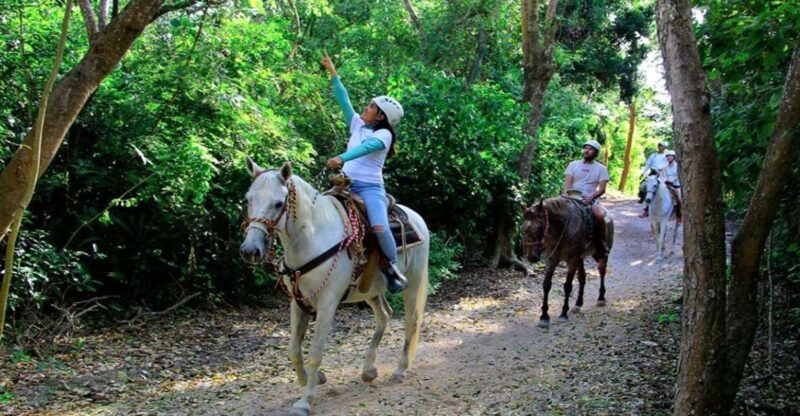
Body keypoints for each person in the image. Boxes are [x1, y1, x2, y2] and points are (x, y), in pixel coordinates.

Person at [321, 53, 408, 294]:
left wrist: (341, 158)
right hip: (344, 186)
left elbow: (365, 149)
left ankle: (391, 269)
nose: (365, 108)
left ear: (381, 116)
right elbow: (344, 101)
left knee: (379, 226)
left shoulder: (384, 135)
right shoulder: (358, 124)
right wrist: (333, 72)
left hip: (369, 188)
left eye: (371, 107)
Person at [564, 140, 610, 256]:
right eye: (586, 148)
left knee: (600, 216)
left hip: (589, 198)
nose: (587, 151)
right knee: (550, 211)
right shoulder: (573, 165)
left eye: (591, 149)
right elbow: (568, 184)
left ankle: (602, 243)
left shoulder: (601, 168)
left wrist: (591, 197)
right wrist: (567, 194)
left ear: (595, 153)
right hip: (571, 196)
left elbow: (602, 189)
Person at [638, 141, 669, 218]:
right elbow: (648, 164)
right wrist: (643, 172)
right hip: (653, 174)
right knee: (643, 186)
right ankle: (645, 207)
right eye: (659, 145)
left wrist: (663, 171)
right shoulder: (653, 155)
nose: (660, 147)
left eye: (662, 146)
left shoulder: (667, 155)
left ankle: (674, 207)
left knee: (669, 189)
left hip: (663, 174)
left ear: (665, 148)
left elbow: (669, 164)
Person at [662, 150, 682, 224]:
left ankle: (679, 216)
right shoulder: (665, 167)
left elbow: (678, 175)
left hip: (676, 185)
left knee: (678, 199)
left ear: (673, 157)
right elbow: (663, 176)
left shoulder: (677, 166)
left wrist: (672, 181)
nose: (669, 158)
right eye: (668, 156)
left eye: (670, 156)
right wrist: (664, 180)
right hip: (667, 185)